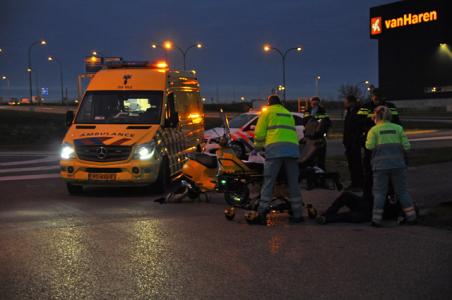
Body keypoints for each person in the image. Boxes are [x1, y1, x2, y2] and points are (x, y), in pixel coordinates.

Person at [252, 95, 304, 225]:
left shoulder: (267, 112)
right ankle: (297, 214)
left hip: (275, 150)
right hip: (292, 150)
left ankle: (262, 212)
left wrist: (257, 148)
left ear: (269, 103)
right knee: (293, 182)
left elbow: (259, 132)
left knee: (269, 181)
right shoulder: (288, 113)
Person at [365, 106, 416, 227]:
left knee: (380, 193)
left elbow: (369, 146)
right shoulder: (398, 128)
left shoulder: (374, 130)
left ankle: (376, 220)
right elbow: (407, 147)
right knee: (402, 192)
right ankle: (412, 217)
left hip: (380, 167)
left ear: (376, 116)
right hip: (398, 165)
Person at [358, 88, 400, 194]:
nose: (375, 98)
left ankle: (389, 193)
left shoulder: (390, 106)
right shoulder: (365, 107)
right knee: (369, 169)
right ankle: (368, 193)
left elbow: (397, 121)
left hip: (386, 143)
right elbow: (357, 122)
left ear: (382, 97)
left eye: (378, 97)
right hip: (371, 141)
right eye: (374, 96)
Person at [302, 96, 331, 170]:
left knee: (320, 156)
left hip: (318, 137)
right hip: (309, 137)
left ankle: (320, 170)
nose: (314, 104)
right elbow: (304, 121)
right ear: (311, 103)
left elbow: (327, 122)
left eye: (316, 103)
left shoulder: (322, 111)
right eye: (313, 103)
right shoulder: (307, 111)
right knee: (309, 156)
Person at [343, 95, 363, 191]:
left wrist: (354, 141)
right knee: (351, 164)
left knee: (356, 164)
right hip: (349, 143)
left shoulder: (357, 111)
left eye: (345, 101)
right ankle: (354, 183)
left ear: (351, 102)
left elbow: (358, 128)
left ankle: (358, 184)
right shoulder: (349, 111)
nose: (344, 103)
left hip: (354, 143)